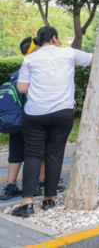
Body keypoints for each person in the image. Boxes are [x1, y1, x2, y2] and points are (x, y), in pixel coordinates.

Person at [13, 26, 93, 217]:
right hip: (62, 112)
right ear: (55, 39)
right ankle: (49, 199)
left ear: (39, 42)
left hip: (35, 113)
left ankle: (28, 203)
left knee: (32, 155)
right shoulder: (68, 53)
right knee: (55, 154)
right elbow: (93, 59)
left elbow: (22, 87)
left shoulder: (30, 58)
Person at [1, 37, 38, 201]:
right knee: (36, 153)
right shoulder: (33, 72)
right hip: (30, 118)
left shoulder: (15, 74)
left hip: (15, 120)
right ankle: (38, 185)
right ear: (35, 50)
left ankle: (10, 187)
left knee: (16, 152)